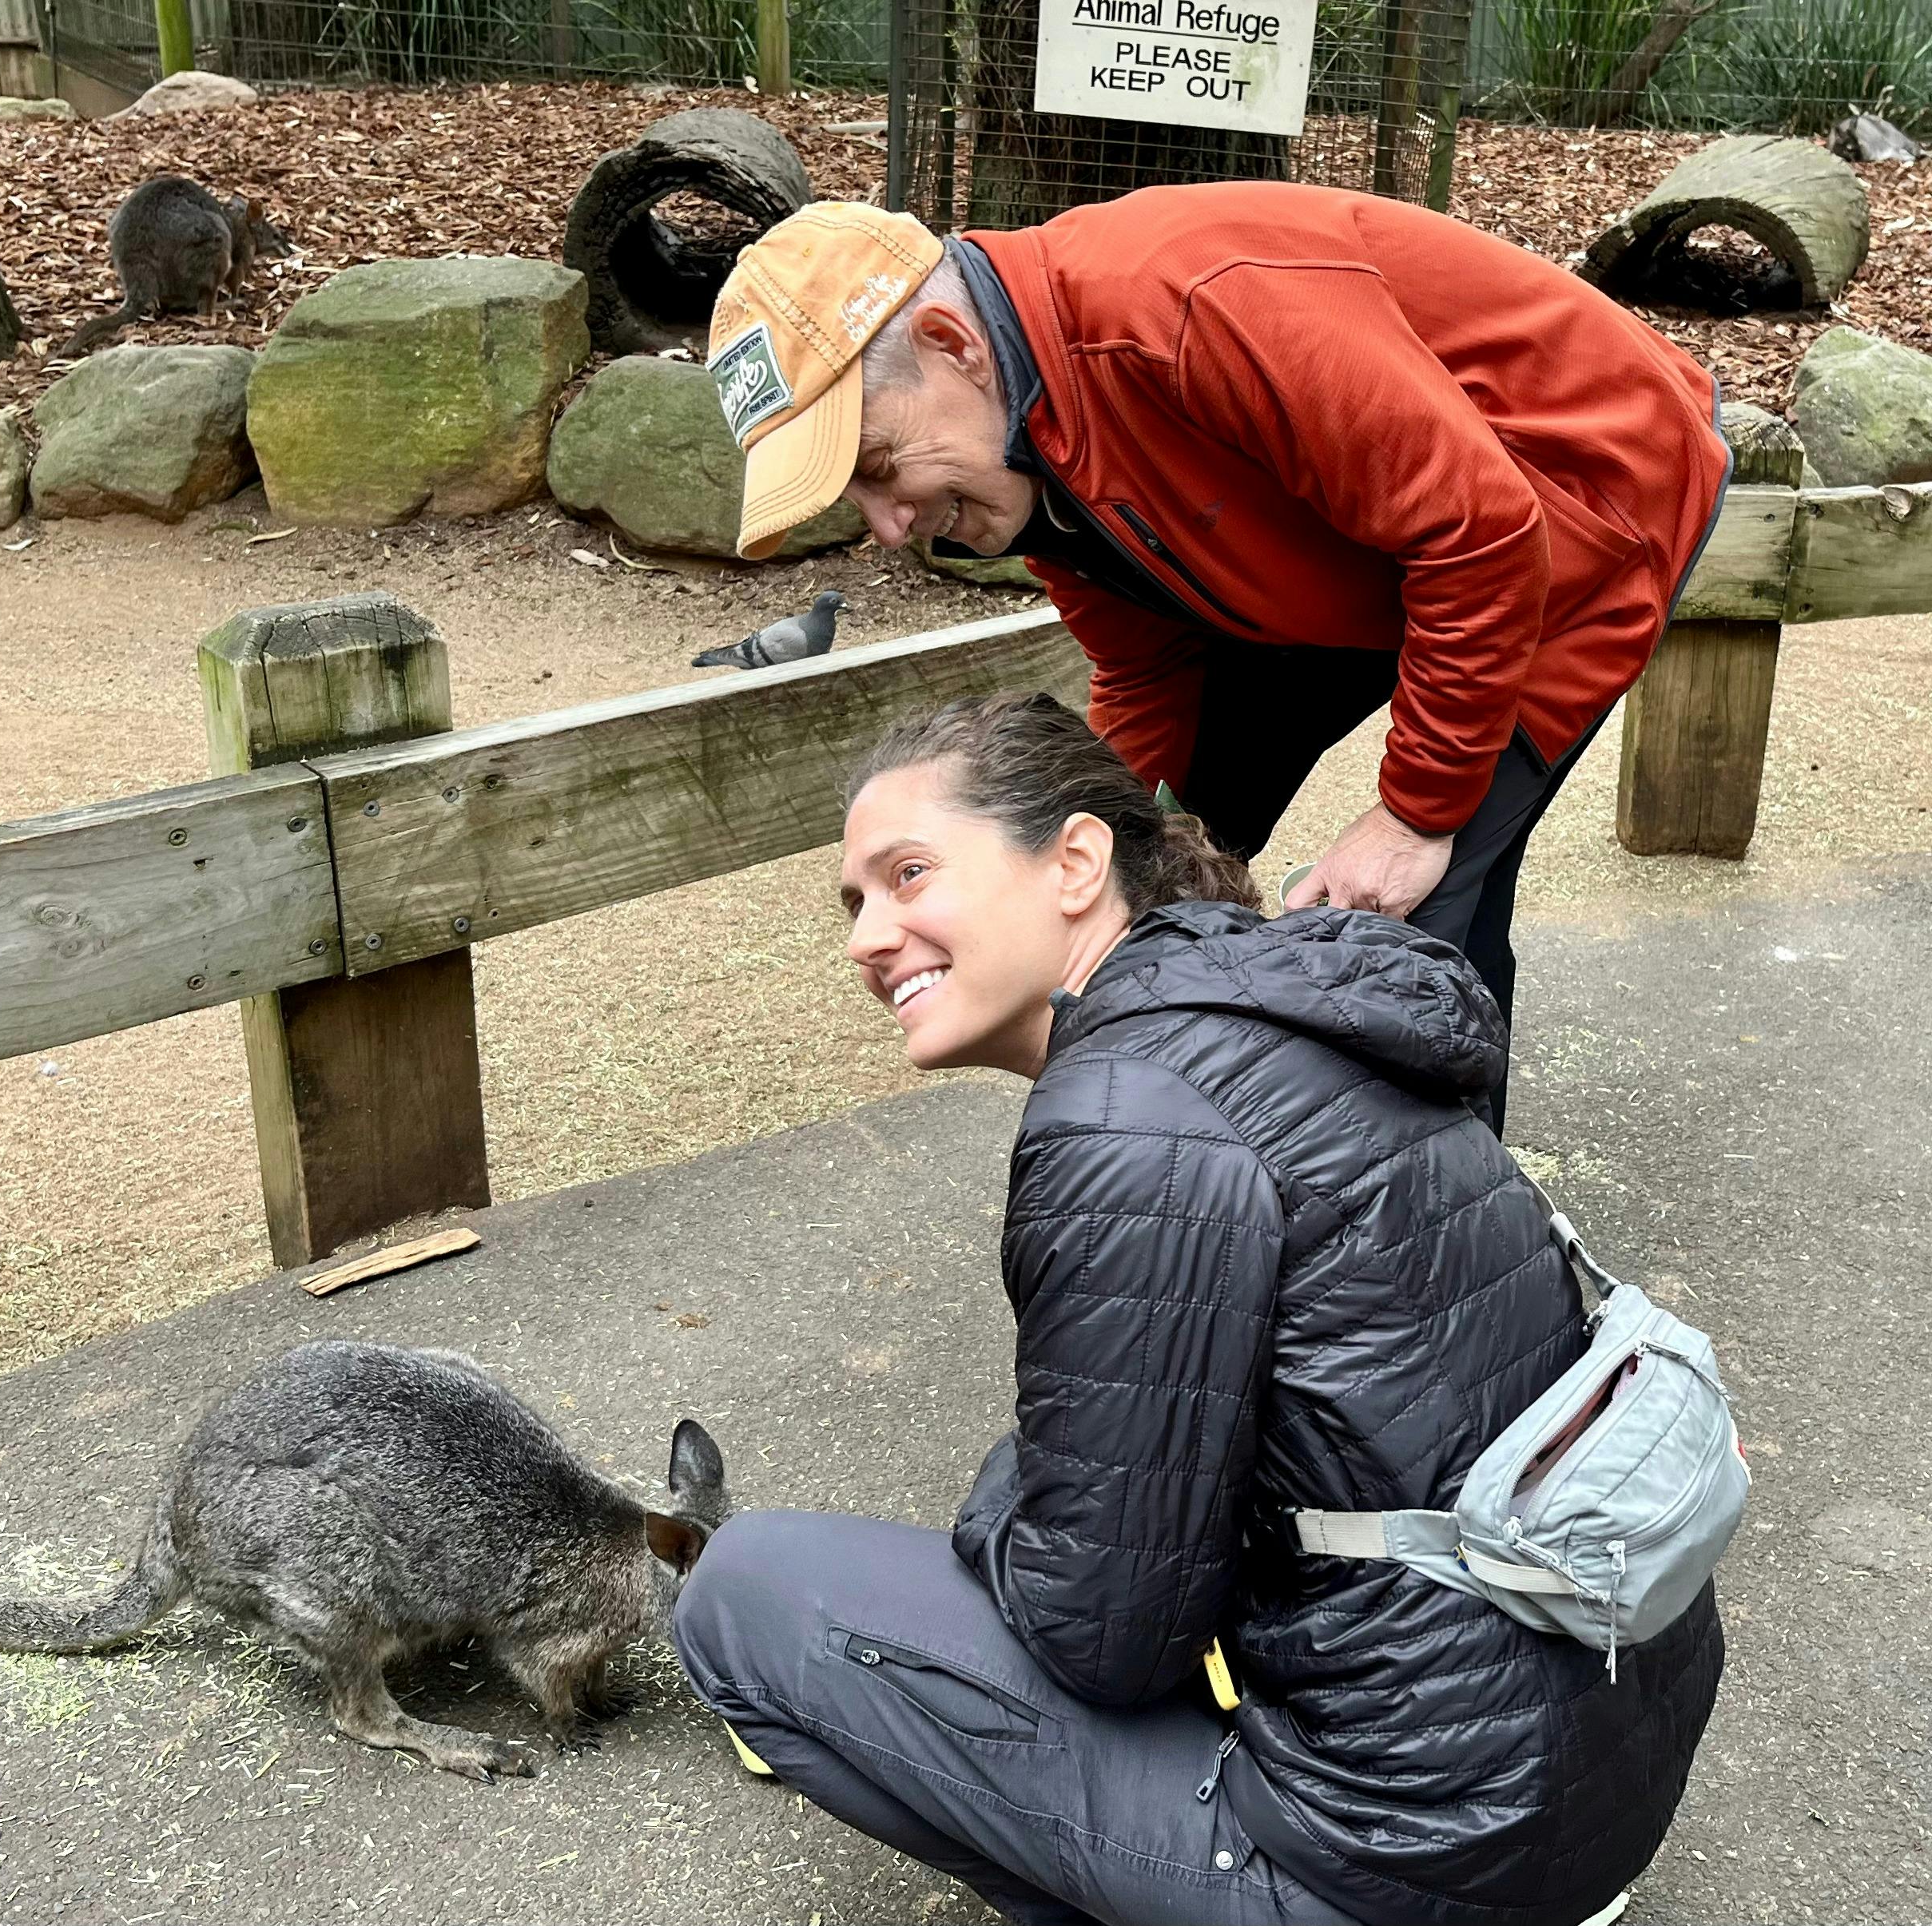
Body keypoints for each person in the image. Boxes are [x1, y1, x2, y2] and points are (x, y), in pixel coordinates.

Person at [670, 692, 1724, 1926]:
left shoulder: (1124, 1118)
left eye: (908, 875)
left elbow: (1104, 1637)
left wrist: (1003, 1504)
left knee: (742, 1591)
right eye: (853, 905)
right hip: (1589, 1774)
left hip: (1405, 1853)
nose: (869, 935)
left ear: (1075, 863)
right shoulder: (1283, 1004)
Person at [702, 194, 1734, 1131]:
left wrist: (1416, 814)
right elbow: (1150, 672)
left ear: (949, 343)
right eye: (857, 499)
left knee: (1416, 918)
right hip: (1358, 547)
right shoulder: (1016, 439)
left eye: (878, 467)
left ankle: (1426, 1264)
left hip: (1577, 500)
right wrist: (1066, 856)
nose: (889, 527)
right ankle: (1195, 1145)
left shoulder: (1182, 308)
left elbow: (1480, 535)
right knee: (1151, 857)